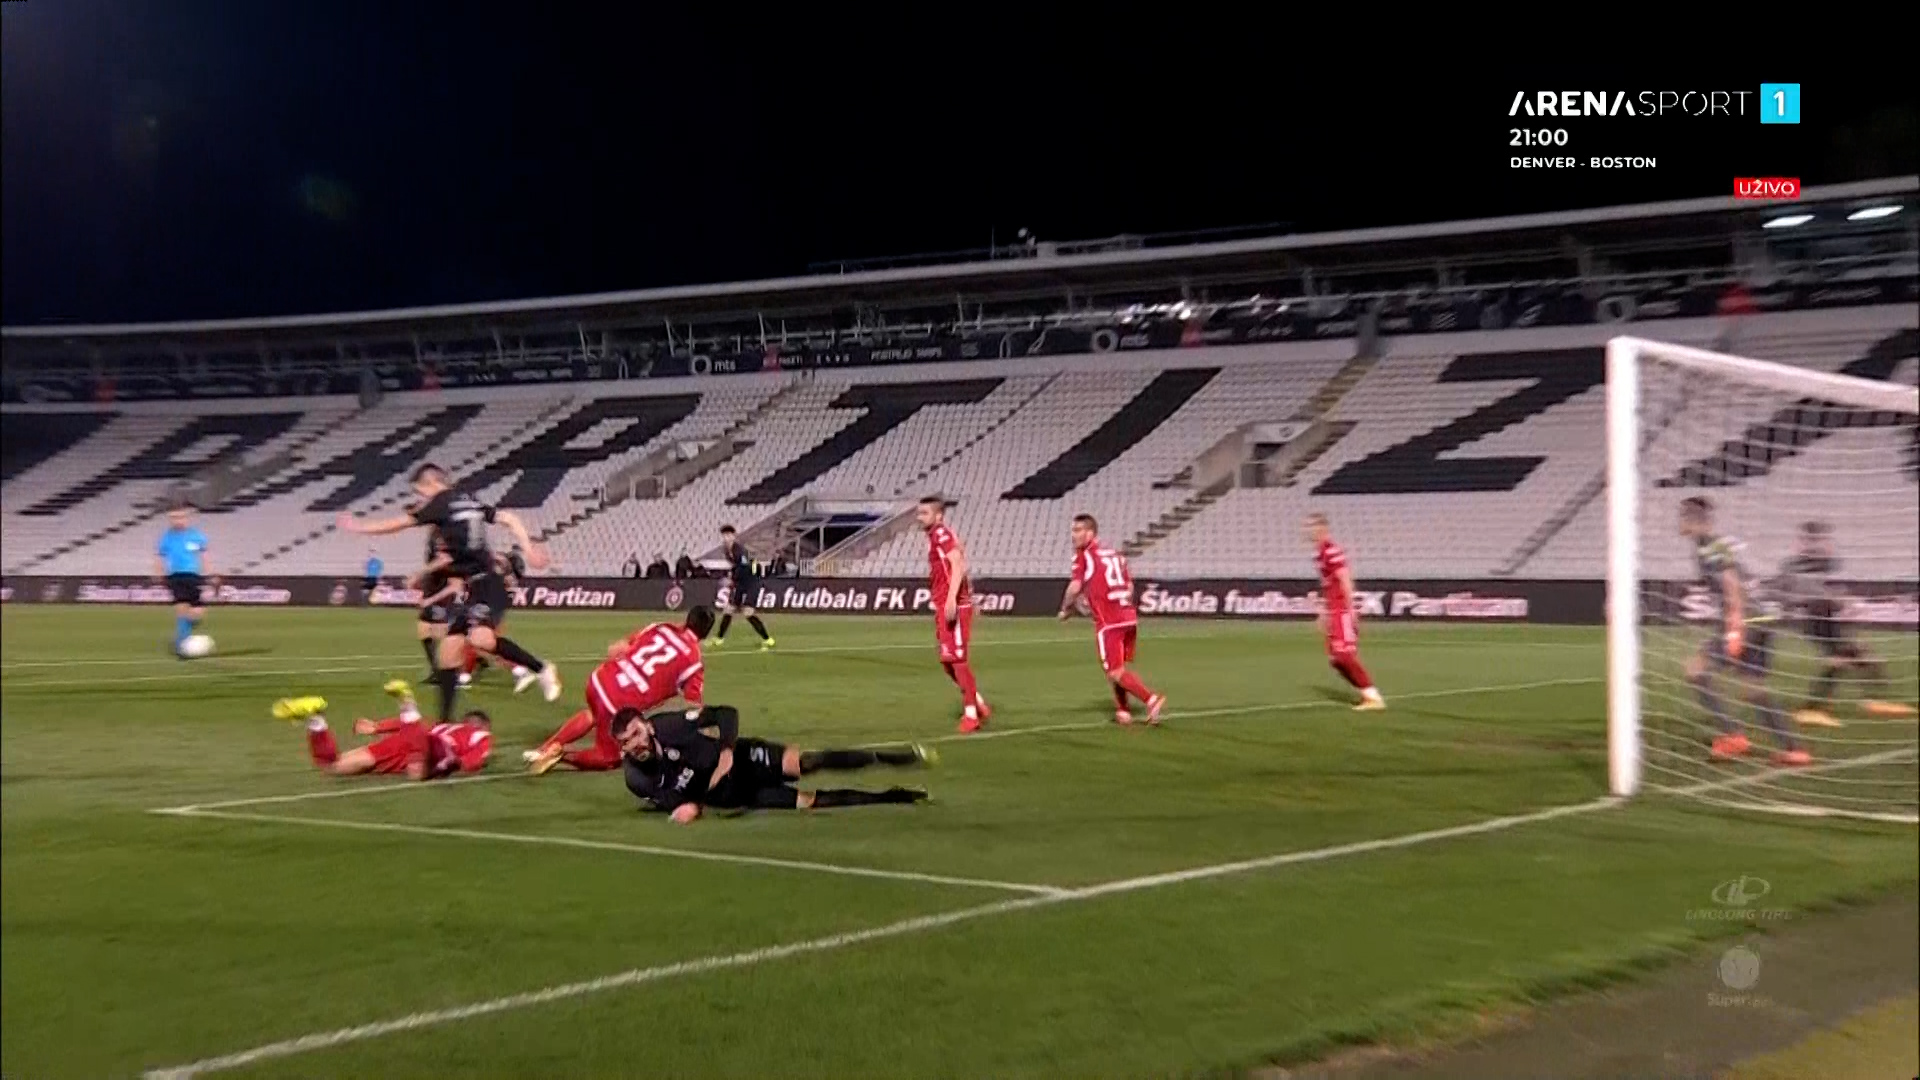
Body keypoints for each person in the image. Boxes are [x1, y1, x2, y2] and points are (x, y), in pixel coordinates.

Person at [337, 462, 559, 724]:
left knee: (481, 639)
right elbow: (509, 518)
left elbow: (400, 523)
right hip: (475, 585)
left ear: (430, 483)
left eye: (420, 491)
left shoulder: (440, 502)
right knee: (447, 656)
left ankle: (541, 668)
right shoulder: (467, 499)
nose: (421, 498)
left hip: (487, 583)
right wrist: (529, 549)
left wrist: (360, 527)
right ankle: (443, 726)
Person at [611, 705, 931, 822]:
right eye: (626, 742)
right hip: (737, 796)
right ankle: (894, 795)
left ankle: (892, 757)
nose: (635, 744)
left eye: (637, 733)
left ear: (647, 726)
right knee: (812, 802)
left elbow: (727, 714)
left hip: (745, 758)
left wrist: (725, 752)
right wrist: (691, 807)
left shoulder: (670, 725)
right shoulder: (636, 779)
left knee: (808, 762)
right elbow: (677, 804)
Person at [1679, 496, 1807, 765]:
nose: (1678, 522)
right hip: (1763, 619)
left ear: (1692, 520)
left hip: (1745, 620)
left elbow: (1732, 583)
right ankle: (1794, 749)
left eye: (1682, 517)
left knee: (1695, 670)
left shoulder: (1709, 547)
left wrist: (1735, 627)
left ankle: (1732, 735)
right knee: (1753, 689)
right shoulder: (1716, 545)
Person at [526, 606, 713, 774]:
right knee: (610, 758)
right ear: (706, 633)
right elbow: (692, 706)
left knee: (593, 714)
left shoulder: (661, 627)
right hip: (618, 703)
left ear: (688, 619)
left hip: (600, 679)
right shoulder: (694, 664)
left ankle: (544, 748)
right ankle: (560, 754)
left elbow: (618, 648)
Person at [1778, 521, 1916, 726]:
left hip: (1827, 617)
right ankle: (1810, 708)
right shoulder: (1794, 565)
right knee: (1838, 659)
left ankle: (1873, 700)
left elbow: (1827, 581)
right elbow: (1801, 592)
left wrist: (1841, 600)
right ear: (1805, 541)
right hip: (1813, 618)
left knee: (1865, 656)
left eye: (1821, 539)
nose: (1819, 544)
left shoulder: (1822, 563)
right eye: (1814, 539)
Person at [1059, 514, 1164, 724]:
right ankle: (1123, 710)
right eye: (1073, 530)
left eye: (1078, 530)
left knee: (1115, 671)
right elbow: (1129, 586)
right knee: (1117, 668)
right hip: (1128, 618)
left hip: (1110, 622)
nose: (1074, 535)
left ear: (1090, 533)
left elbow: (1075, 586)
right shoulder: (1115, 554)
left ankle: (1151, 699)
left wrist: (1066, 608)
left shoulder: (1083, 555)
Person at [273, 681, 491, 780]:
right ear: (483, 725)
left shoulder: (443, 725)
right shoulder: (481, 735)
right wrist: (456, 764)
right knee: (417, 775)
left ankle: (315, 721)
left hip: (404, 741)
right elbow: (476, 759)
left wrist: (377, 726)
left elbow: (415, 728)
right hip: (434, 750)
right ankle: (407, 705)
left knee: (333, 765)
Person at [919, 496, 990, 732]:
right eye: (919, 513)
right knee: (947, 661)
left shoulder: (941, 534)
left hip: (954, 604)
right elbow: (959, 563)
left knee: (958, 660)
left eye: (925, 513)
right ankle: (977, 700)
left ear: (938, 516)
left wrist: (953, 599)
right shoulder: (937, 536)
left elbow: (958, 563)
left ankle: (971, 715)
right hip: (945, 602)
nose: (920, 517)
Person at [1304, 512, 1385, 710]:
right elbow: (1327, 585)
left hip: (1342, 610)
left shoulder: (1332, 551)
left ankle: (1373, 697)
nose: (1306, 530)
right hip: (1333, 611)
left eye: (1309, 526)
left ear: (1321, 527)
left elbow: (1344, 578)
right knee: (1336, 661)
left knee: (1344, 656)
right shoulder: (1319, 555)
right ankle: (1368, 695)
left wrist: (1352, 608)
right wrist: (1323, 612)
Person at [155, 501, 213, 658]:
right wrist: (159, 573)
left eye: (181, 517)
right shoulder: (167, 538)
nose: (177, 520)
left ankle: (187, 631)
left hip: (194, 576)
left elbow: (205, 555)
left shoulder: (197, 536)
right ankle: (181, 645)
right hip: (175, 576)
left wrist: (208, 574)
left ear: (187, 517)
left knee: (197, 613)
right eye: (173, 517)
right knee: (181, 608)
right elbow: (160, 556)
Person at [712, 525, 775, 650]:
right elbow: (735, 566)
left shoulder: (739, 550)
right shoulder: (726, 550)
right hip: (740, 583)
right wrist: (732, 576)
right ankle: (719, 639)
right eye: (724, 535)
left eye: (729, 535)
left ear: (734, 536)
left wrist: (731, 579)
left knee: (747, 612)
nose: (726, 538)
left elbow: (744, 567)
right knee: (729, 609)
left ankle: (768, 639)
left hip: (751, 582)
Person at [411, 533, 459, 679]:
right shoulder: (433, 561)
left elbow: (453, 587)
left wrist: (430, 599)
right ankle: (435, 671)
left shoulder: (450, 563)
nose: (438, 546)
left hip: (442, 603)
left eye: (441, 544)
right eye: (437, 544)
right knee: (423, 632)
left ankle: (454, 671)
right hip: (429, 602)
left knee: (444, 638)